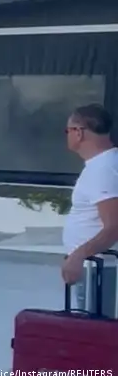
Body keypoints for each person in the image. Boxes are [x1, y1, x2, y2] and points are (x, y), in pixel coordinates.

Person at [61, 103, 118, 317]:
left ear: (79, 132)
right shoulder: (104, 164)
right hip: (93, 267)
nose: (67, 136)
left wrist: (78, 256)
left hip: (97, 269)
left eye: (67, 130)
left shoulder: (103, 169)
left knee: (93, 327)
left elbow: (113, 226)